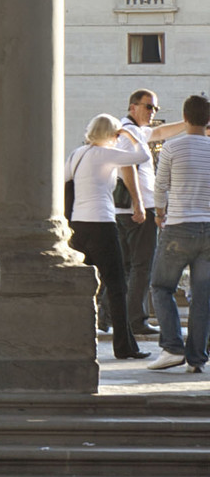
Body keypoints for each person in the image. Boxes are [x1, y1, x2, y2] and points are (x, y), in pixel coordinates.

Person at [65, 114, 152, 360]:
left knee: (82, 286)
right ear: (113, 134)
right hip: (102, 225)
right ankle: (123, 346)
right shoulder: (106, 154)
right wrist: (132, 134)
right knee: (116, 287)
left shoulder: (77, 154)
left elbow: (62, 182)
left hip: (78, 227)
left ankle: (75, 341)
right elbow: (143, 157)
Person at [151, 94, 210, 372]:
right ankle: (196, 359)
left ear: (184, 118)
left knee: (161, 287)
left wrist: (160, 214)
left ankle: (173, 347)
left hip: (178, 226)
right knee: (203, 296)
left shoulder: (172, 148)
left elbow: (160, 185)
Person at [117, 88, 165, 338]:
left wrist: (192, 123)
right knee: (141, 266)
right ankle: (136, 321)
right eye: (149, 107)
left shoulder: (134, 130)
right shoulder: (128, 132)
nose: (152, 112)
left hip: (131, 209)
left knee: (126, 267)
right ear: (133, 106)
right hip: (138, 209)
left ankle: (111, 318)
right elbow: (127, 166)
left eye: (155, 108)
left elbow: (159, 132)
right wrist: (137, 203)